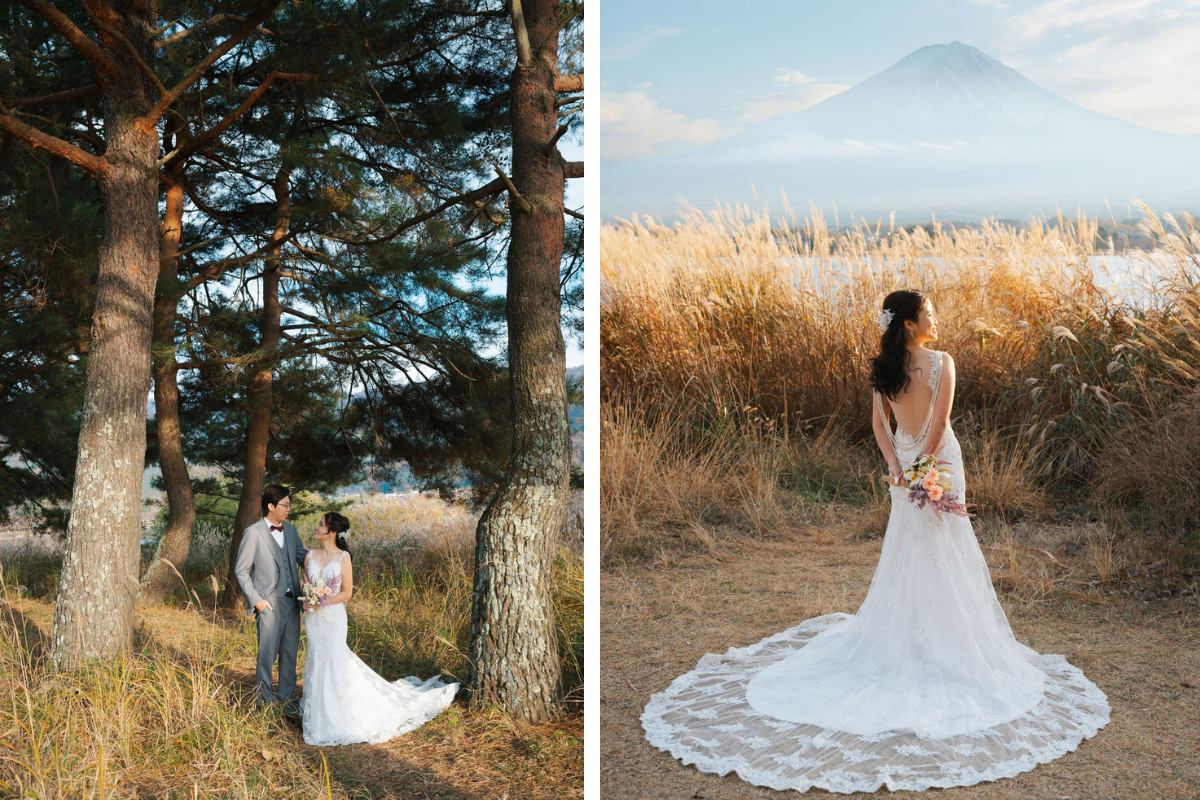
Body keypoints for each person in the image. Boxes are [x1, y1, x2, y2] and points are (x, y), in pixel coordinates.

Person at [642, 290, 1110, 793]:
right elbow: (941, 425)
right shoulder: (940, 363)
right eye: (928, 311)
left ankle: (920, 636)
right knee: (942, 549)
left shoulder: (883, 367)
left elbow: (878, 426)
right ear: (909, 323)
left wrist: (897, 467)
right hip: (937, 465)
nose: (935, 317)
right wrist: (926, 470)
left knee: (912, 552)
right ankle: (943, 643)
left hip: (905, 468)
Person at [300, 512, 458, 746]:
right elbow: (306, 585)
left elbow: (347, 592)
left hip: (333, 618)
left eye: (320, 524)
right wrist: (308, 599)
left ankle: (340, 712)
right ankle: (317, 710)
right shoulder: (309, 556)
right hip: (313, 620)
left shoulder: (343, 557)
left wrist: (323, 600)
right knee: (315, 660)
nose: (316, 526)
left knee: (334, 659)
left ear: (332, 532)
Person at [233, 484, 308, 716]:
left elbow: (303, 558)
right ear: (271, 506)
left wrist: (331, 555)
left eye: (289, 504)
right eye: (285, 505)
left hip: (292, 603)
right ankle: (264, 702)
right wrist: (257, 602)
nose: (289, 508)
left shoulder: (292, 531)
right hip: (268, 604)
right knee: (266, 655)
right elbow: (241, 570)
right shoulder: (253, 533)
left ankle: (287, 702)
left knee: (289, 654)